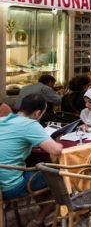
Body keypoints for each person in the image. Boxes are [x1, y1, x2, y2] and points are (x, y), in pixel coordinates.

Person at [0, 94, 64, 227]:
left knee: (40, 171)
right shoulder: (30, 124)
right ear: (38, 113)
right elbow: (55, 151)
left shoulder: (4, 120)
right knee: (63, 176)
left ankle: (45, 210)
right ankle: (39, 218)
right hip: (11, 187)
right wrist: (59, 142)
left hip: (2, 182)